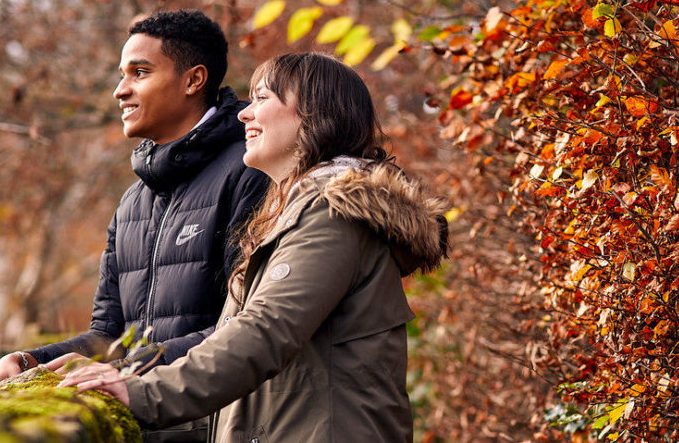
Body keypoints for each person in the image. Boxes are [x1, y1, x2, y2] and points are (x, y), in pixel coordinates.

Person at [59, 52, 449, 442]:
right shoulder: (295, 212)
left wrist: (139, 392)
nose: (245, 113)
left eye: (262, 98)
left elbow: (264, 334)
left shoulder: (333, 213)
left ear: (313, 114)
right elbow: (258, 385)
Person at [0, 10, 268, 441]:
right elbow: (110, 335)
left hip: (222, 426)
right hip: (138, 427)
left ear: (193, 80)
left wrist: (122, 372)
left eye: (140, 72)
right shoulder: (134, 201)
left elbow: (245, 325)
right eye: (121, 75)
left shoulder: (250, 173)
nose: (119, 91)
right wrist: (29, 362)